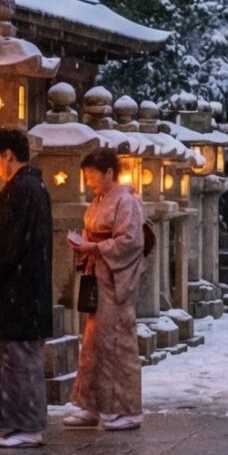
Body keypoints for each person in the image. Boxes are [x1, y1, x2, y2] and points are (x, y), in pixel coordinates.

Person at [0, 127, 53, 448]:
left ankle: (28, 425)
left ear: (8, 154)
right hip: (25, 289)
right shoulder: (31, 188)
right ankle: (21, 423)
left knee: (20, 359)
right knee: (17, 357)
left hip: (19, 291)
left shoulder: (23, 190)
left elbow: (2, 239)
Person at [65, 150, 145, 430]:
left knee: (117, 343)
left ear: (110, 172)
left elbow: (132, 241)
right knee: (93, 343)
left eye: (92, 176)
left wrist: (95, 247)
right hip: (97, 275)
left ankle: (128, 408)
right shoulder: (98, 201)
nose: (89, 183)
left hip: (114, 280)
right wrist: (83, 244)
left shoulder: (127, 201)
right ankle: (92, 405)